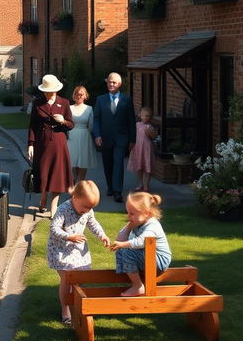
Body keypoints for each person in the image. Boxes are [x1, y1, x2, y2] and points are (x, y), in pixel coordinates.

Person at [47, 180, 111, 324]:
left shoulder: (87, 211)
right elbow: (54, 228)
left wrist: (103, 236)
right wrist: (69, 236)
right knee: (67, 279)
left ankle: (76, 302)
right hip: (61, 250)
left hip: (77, 251)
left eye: (91, 207)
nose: (88, 210)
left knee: (79, 279)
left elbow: (93, 223)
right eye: (86, 206)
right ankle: (65, 310)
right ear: (75, 197)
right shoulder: (63, 209)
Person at [27, 74, 74, 216]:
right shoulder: (37, 103)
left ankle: (54, 208)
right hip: (42, 143)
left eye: (51, 90)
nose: (49, 93)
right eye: (47, 91)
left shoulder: (64, 102)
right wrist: (30, 144)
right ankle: (43, 198)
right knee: (43, 173)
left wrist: (63, 121)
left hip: (59, 143)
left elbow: (71, 124)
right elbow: (32, 126)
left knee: (57, 175)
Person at [110, 191, 172, 296]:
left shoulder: (152, 225)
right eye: (128, 212)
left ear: (147, 213)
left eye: (132, 213)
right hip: (149, 257)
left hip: (160, 260)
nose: (128, 216)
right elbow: (120, 239)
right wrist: (129, 227)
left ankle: (138, 286)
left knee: (127, 250)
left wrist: (123, 245)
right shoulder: (137, 222)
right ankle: (128, 274)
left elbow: (142, 241)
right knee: (122, 250)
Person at [92, 72, 136, 203]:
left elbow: (131, 121)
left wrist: (133, 139)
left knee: (118, 163)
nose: (111, 84)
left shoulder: (127, 100)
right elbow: (96, 119)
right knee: (107, 164)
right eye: (109, 82)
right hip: (105, 138)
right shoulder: (101, 99)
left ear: (119, 84)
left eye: (114, 82)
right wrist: (97, 135)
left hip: (121, 139)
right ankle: (110, 187)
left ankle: (118, 191)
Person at [67, 85, 97, 183]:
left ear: (85, 96)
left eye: (81, 94)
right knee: (73, 161)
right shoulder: (69, 108)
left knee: (83, 160)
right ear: (74, 95)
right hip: (72, 136)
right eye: (77, 94)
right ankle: (75, 180)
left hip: (84, 136)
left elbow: (91, 125)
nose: (79, 96)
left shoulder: (89, 109)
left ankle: (81, 181)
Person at [127, 106, 158, 192]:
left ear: (150, 117)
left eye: (147, 116)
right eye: (144, 115)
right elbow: (132, 136)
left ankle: (146, 186)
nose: (145, 117)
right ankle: (140, 183)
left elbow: (154, 137)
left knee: (147, 168)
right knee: (139, 167)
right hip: (137, 149)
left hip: (146, 149)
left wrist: (150, 132)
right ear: (140, 115)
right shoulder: (136, 125)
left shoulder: (150, 127)